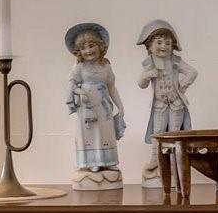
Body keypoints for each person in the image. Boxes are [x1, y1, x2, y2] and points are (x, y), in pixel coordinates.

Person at [135, 18, 198, 180]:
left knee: (174, 134)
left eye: (168, 43)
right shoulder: (149, 63)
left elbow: (192, 72)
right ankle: (155, 160)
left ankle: (174, 164)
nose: (163, 46)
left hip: (176, 104)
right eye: (159, 42)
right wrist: (147, 75)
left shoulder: (175, 61)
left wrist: (183, 86)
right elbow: (141, 84)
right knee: (158, 133)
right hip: (159, 105)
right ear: (149, 46)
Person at [64, 22, 126, 187]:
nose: (88, 50)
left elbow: (112, 87)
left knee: (106, 133)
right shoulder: (79, 67)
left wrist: (120, 106)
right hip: (87, 108)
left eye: (91, 46)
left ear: (100, 46)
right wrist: (80, 92)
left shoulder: (106, 66)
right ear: (79, 52)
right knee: (90, 135)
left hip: (103, 107)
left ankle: (108, 161)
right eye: (83, 48)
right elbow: (71, 85)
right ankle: (91, 162)